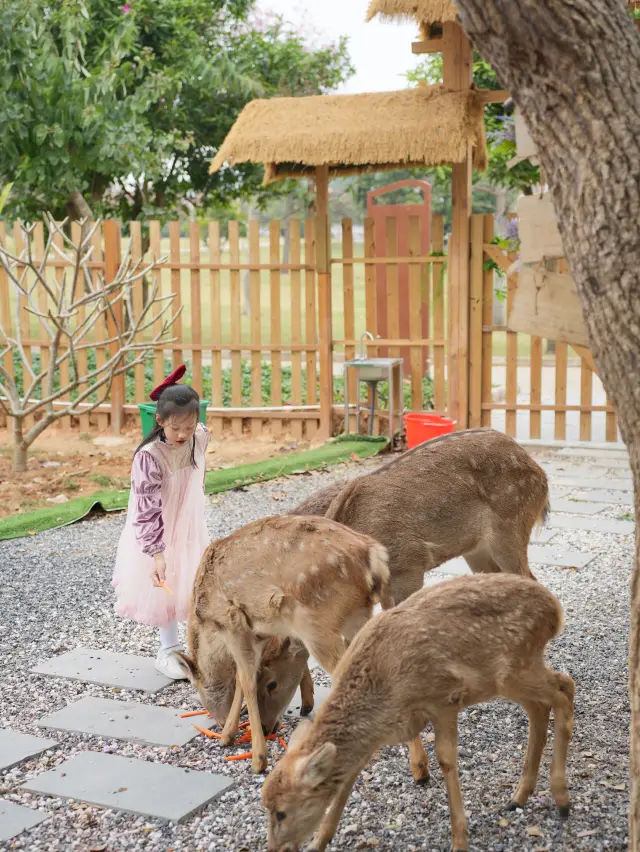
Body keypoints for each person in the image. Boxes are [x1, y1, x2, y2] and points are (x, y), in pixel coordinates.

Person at [112, 365, 210, 678]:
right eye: (175, 428)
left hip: (189, 523)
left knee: (192, 581)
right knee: (165, 586)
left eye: (189, 427)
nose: (183, 435)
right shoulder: (149, 457)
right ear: (159, 420)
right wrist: (156, 552)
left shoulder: (200, 437)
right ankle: (167, 649)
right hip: (159, 528)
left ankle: (196, 646)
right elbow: (146, 507)